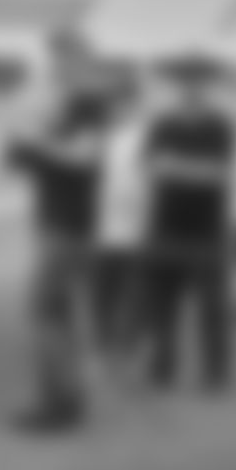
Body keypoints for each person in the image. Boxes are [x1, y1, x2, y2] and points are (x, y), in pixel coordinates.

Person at [6, 88, 110, 435]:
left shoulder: (89, 135)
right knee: (57, 317)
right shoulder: (58, 137)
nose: (50, 108)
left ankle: (57, 403)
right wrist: (24, 134)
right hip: (55, 232)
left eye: (55, 103)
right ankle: (66, 398)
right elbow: (15, 161)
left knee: (44, 315)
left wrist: (36, 138)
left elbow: (78, 159)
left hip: (67, 235)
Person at [141, 53, 236, 395]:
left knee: (213, 308)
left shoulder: (220, 126)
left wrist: (176, 167)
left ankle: (215, 373)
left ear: (207, 86)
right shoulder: (162, 124)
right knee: (161, 306)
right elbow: (153, 169)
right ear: (177, 86)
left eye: (197, 81)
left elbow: (219, 175)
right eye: (185, 82)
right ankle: (162, 368)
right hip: (164, 226)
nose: (191, 88)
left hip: (207, 231)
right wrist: (195, 170)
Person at [91, 67, 150, 373]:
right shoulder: (101, 136)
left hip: (137, 229)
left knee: (134, 296)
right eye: (112, 101)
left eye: (122, 101)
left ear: (134, 102)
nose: (116, 107)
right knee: (103, 294)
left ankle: (128, 352)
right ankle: (105, 350)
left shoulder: (146, 136)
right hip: (101, 228)